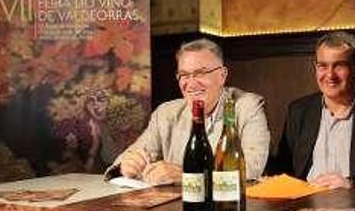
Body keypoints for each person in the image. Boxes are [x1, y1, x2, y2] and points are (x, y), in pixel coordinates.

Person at [107, 38, 270, 184]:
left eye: (200, 73)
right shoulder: (166, 114)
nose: (191, 84)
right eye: (184, 75)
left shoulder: (248, 107)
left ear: (222, 76)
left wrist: (186, 176)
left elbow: (250, 169)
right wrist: (127, 166)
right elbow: (130, 156)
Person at [268, 32, 355, 189]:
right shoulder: (299, 111)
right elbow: (283, 170)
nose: (330, 75)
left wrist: (351, 183)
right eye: (323, 66)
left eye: (339, 66)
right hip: (304, 205)